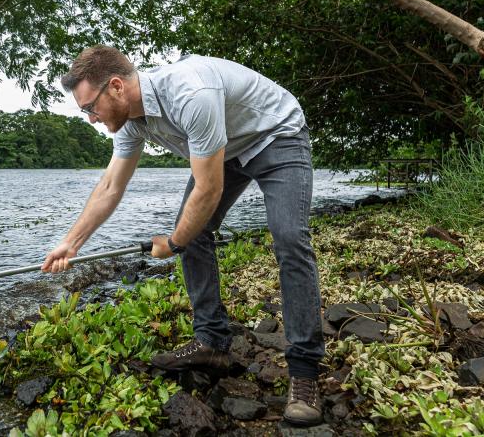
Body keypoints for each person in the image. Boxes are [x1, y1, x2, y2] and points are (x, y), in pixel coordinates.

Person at [41, 45, 325, 426]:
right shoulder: (131, 121)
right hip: (225, 149)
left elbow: (207, 191)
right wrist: (71, 242)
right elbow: (110, 186)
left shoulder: (191, 94)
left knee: (289, 238)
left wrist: (173, 243)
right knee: (194, 230)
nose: (91, 118)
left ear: (116, 87)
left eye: (89, 107)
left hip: (276, 134)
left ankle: (304, 371)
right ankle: (211, 342)